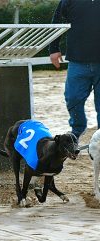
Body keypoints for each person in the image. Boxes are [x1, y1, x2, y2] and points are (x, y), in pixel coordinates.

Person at [49, 0, 100, 139]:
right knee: (73, 98)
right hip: (77, 61)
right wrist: (53, 48)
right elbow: (57, 21)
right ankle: (77, 130)